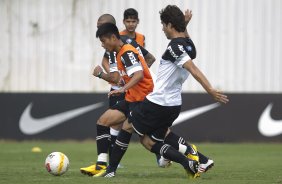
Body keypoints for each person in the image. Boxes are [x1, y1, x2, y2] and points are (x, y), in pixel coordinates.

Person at [94, 5, 229, 179]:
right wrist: (184, 26)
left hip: (158, 100)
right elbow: (188, 49)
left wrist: (210, 90)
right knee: (150, 140)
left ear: (170, 25)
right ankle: (195, 161)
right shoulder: (188, 44)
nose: (162, 28)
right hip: (174, 104)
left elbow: (193, 69)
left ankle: (110, 170)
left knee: (127, 127)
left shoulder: (173, 47)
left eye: (164, 25)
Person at [80, 14, 155, 176]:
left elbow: (119, 76)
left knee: (148, 138)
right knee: (106, 123)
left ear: (111, 30)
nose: (98, 28)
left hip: (134, 95)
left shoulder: (124, 46)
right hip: (123, 92)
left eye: (101, 25)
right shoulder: (111, 47)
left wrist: (102, 75)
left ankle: (189, 155)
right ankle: (104, 165)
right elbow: (114, 71)